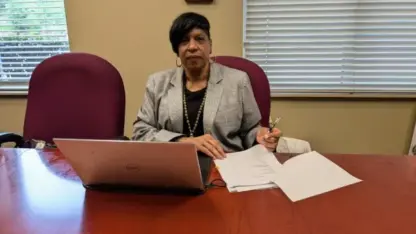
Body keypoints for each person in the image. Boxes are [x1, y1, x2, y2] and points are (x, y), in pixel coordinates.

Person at [132, 12, 281, 159]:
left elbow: (250, 130)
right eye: (184, 41)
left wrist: (260, 136)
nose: (192, 46)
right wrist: (183, 141)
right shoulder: (157, 83)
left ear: (210, 45)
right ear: (177, 50)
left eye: (199, 39)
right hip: (172, 163)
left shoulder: (238, 81)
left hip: (225, 163)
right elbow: (140, 132)